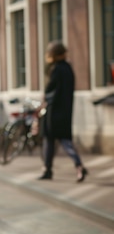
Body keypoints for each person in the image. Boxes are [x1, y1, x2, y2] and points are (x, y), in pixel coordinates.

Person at [38, 41, 88, 182]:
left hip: (54, 112)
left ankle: (48, 169)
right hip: (66, 111)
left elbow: (51, 91)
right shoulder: (68, 68)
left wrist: (45, 100)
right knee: (65, 141)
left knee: (50, 140)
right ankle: (77, 165)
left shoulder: (56, 70)